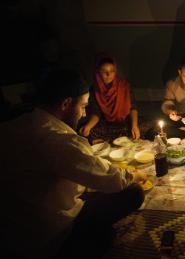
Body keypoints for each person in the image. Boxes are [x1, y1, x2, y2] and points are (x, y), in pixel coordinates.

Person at [0, 69, 148, 258]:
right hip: (47, 235)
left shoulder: (14, 124)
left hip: (11, 230)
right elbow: (111, 180)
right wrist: (134, 175)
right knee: (133, 192)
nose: (84, 113)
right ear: (66, 103)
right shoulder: (57, 140)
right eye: (83, 106)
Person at [80, 56, 140, 144]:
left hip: (124, 122)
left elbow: (133, 107)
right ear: (98, 72)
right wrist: (88, 127)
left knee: (142, 129)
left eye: (112, 71)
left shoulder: (124, 85)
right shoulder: (94, 89)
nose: (108, 74)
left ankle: (112, 139)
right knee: (86, 132)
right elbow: (96, 113)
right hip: (107, 124)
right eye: (104, 71)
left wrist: (134, 126)